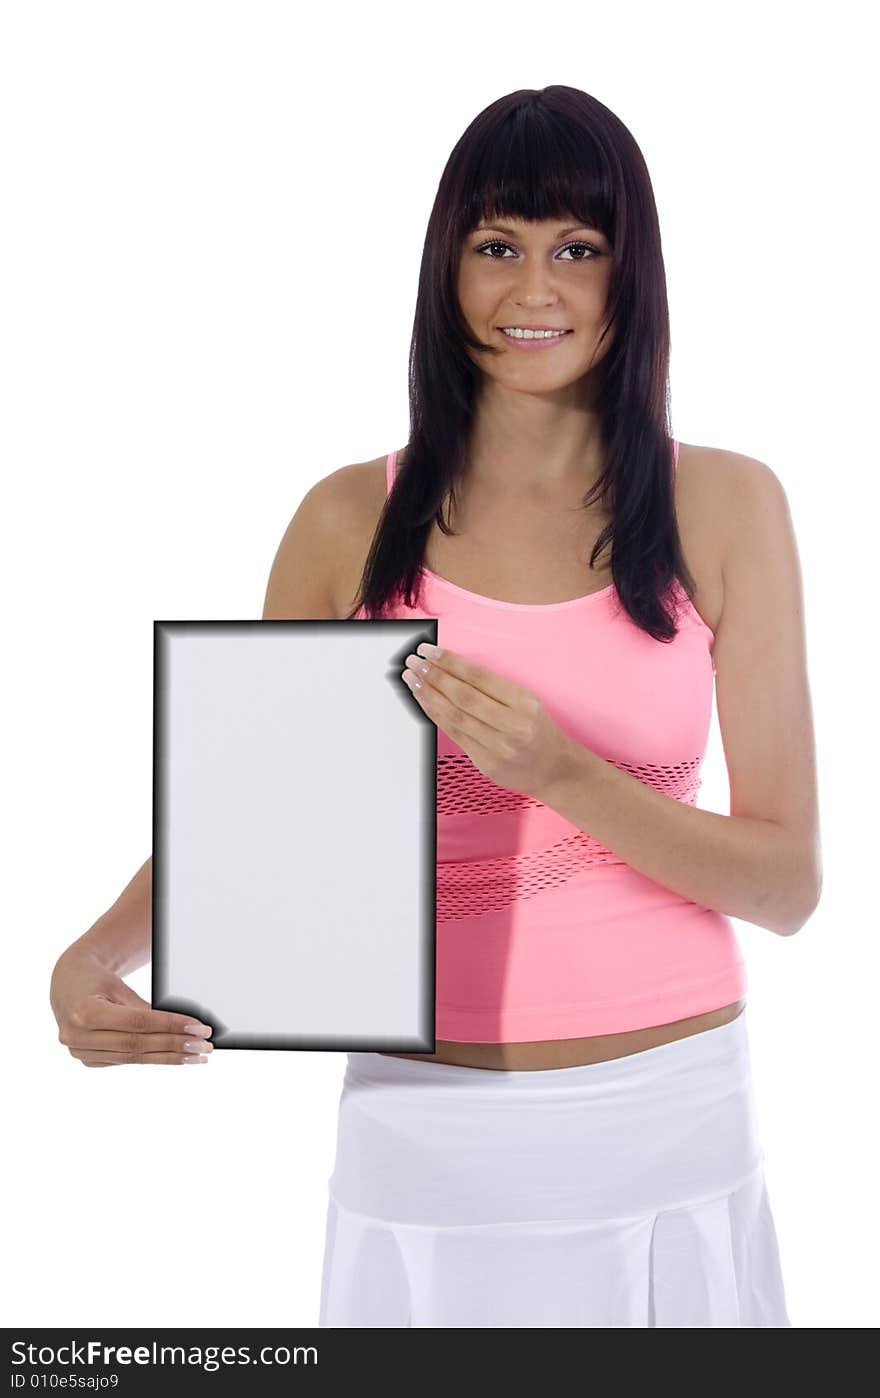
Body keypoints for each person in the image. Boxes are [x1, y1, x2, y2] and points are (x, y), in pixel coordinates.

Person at [51, 84, 821, 1327]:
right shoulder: (348, 519)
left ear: (633, 276)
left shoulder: (724, 507)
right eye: (496, 248)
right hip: (419, 1122)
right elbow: (252, 829)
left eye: (578, 250)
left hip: (667, 1108)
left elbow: (786, 885)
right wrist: (91, 962)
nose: (535, 292)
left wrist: (562, 773)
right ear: (444, 268)